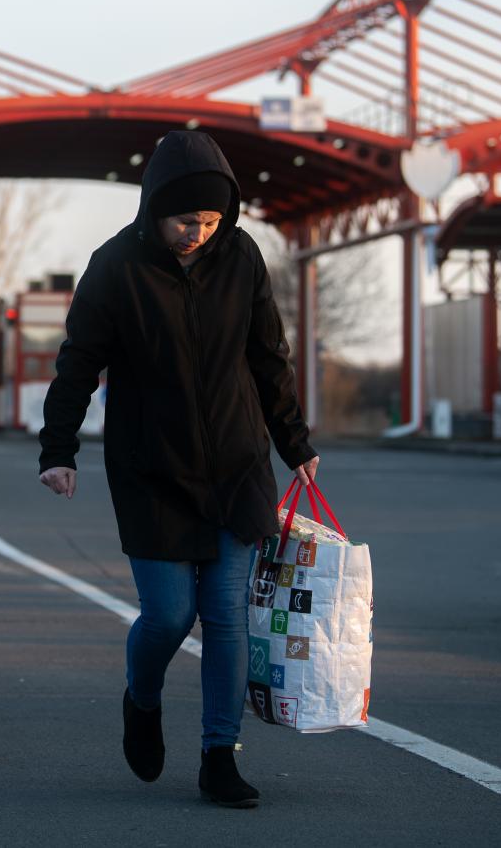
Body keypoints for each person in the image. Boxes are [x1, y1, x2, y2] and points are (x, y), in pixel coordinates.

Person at [38, 129, 319, 808]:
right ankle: (142, 695)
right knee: (168, 615)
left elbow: (269, 356)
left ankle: (220, 755)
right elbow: (78, 362)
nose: (197, 231)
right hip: (151, 468)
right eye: (184, 218)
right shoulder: (115, 267)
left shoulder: (243, 258)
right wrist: (59, 448)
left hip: (236, 463)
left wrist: (295, 442)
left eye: (211, 220)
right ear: (154, 208)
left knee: (225, 615)